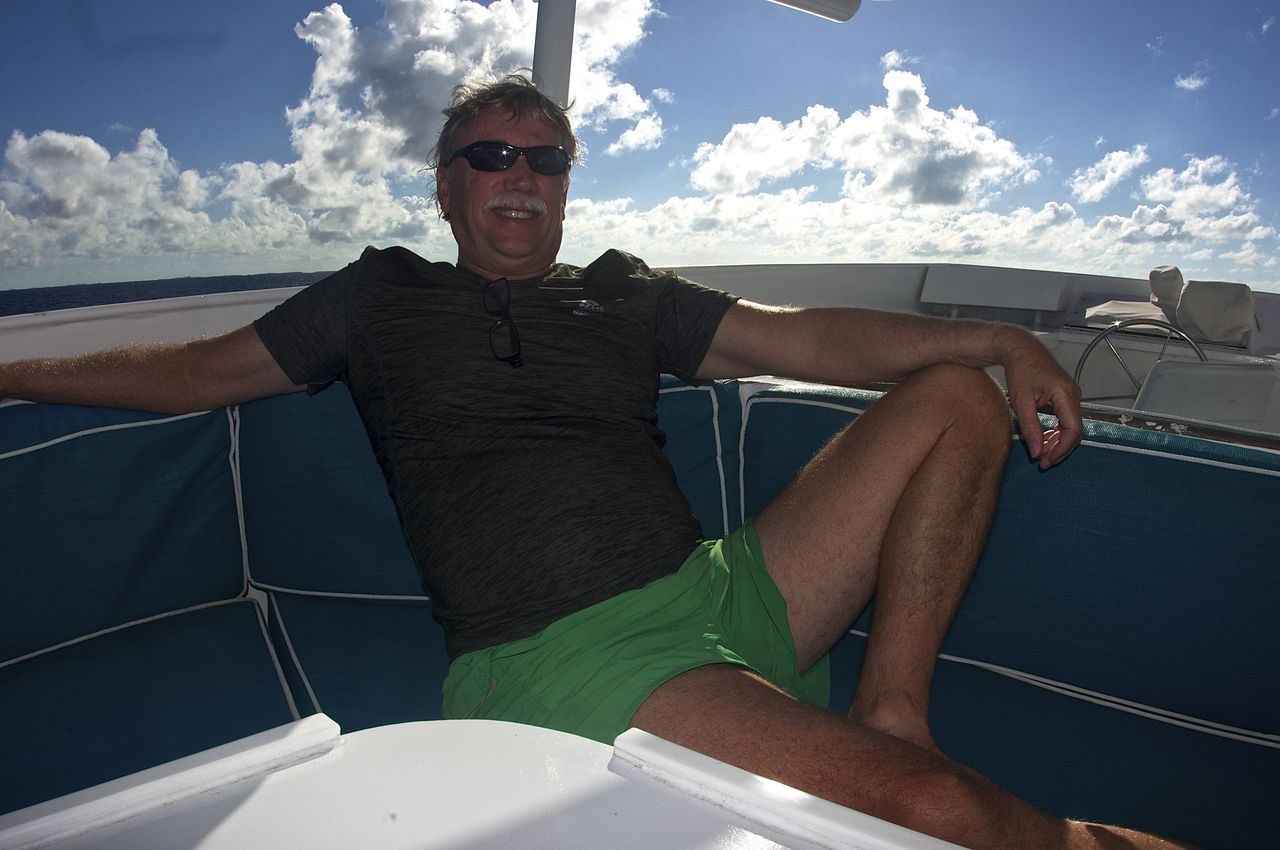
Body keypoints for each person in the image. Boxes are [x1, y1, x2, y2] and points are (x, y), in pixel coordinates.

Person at [0, 75, 1192, 849]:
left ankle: (892, 703)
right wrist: (10, 371)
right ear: (446, 185)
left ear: (566, 184)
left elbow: (807, 341)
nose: (519, 175)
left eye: (546, 158)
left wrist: (996, 338)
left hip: (724, 587)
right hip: (562, 648)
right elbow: (193, 373)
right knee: (931, 811)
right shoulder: (377, 299)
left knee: (952, 395)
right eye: (489, 155)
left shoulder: (622, 293)